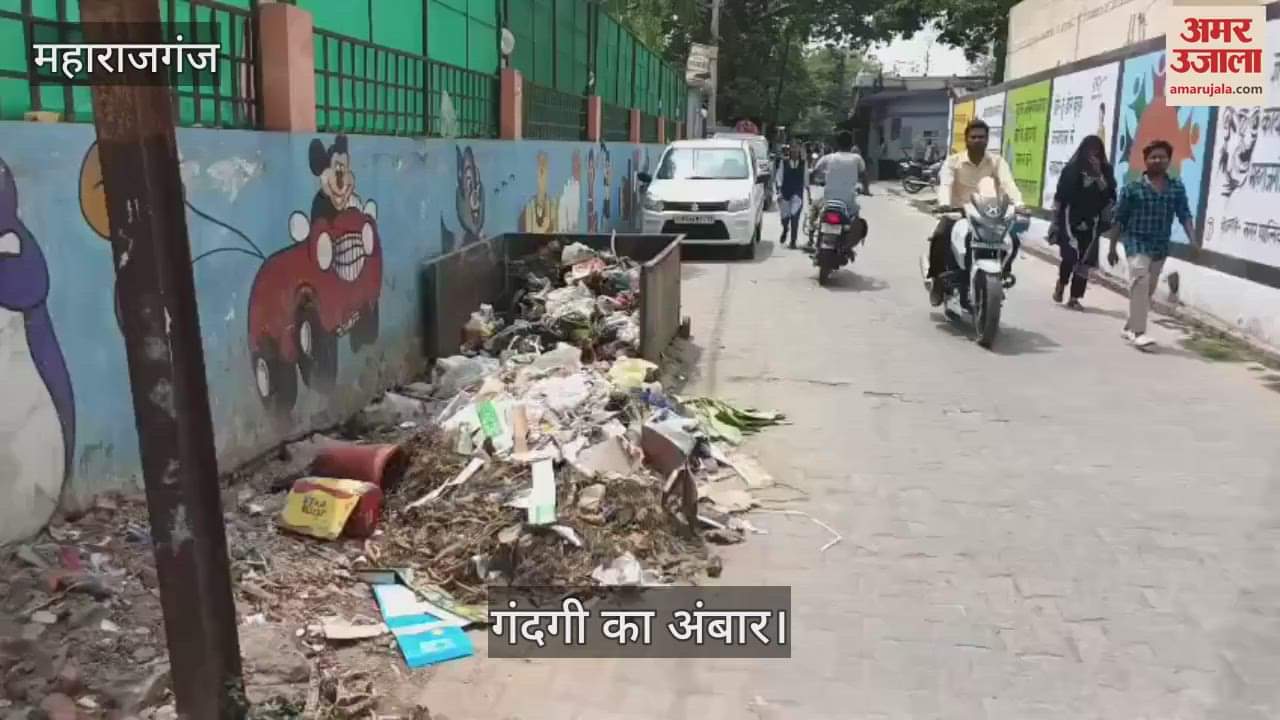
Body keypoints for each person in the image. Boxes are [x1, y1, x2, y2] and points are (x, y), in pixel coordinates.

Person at [1108, 140, 1194, 348]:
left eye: (1162, 157)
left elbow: (1184, 214)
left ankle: (1129, 326)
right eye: (1153, 157)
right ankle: (1139, 333)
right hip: (1136, 241)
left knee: (1147, 289)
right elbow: (1119, 219)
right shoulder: (1132, 188)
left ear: (1168, 160)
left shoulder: (1176, 187)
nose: (1157, 160)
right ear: (1145, 161)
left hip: (1160, 246)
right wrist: (1112, 247)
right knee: (1140, 278)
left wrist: (1193, 239)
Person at [928, 118, 1023, 305]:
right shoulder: (953, 161)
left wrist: (1019, 203)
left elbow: (1007, 183)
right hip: (959, 213)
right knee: (940, 236)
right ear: (966, 140)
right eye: (974, 137)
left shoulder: (996, 162)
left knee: (1013, 240)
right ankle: (937, 280)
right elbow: (945, 183)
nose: (978, 140)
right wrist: (945, 203)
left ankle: (1001, 274)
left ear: (988, 140)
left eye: (982, 137)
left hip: (987, 214)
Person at [1051, 134, 1116, 309]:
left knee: (1085, 261)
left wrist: (1099, 176)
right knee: (1070, 256)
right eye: (1090, 150)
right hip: (1069, 217)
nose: (1093, 155)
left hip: (1093, 221)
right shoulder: (1071, 170)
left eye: (1097, 151)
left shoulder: (1106, 171)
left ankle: (1074, 298)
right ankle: (1062, 283)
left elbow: (1110, 196)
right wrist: (1054, 222)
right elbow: (1060, 197)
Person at [807, 131, 867, 249]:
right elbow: (864, 175)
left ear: (836, 144)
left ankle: (810, 236)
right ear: (851, 144)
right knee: (856, 222)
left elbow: (814, 172)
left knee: (814, 209)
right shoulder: (857, 158)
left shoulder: (828, 158)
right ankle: (848, 246)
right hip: (849, 202)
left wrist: (817, 180)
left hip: (828, 200)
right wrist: (867, 190)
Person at [775, 144, 809, 249]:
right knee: (784, 218)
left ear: (799, 153)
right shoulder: (784, 162)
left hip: (797, 194)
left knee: (795, 217)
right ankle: (785, 229)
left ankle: (793, 241)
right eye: (792, 151)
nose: (794, 153)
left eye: (796, 152)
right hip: (785, 193)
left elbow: (806, 178)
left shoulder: (803, 163)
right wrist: (779, 191)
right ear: (789, 153)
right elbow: (779, 177)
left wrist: (809, 193)